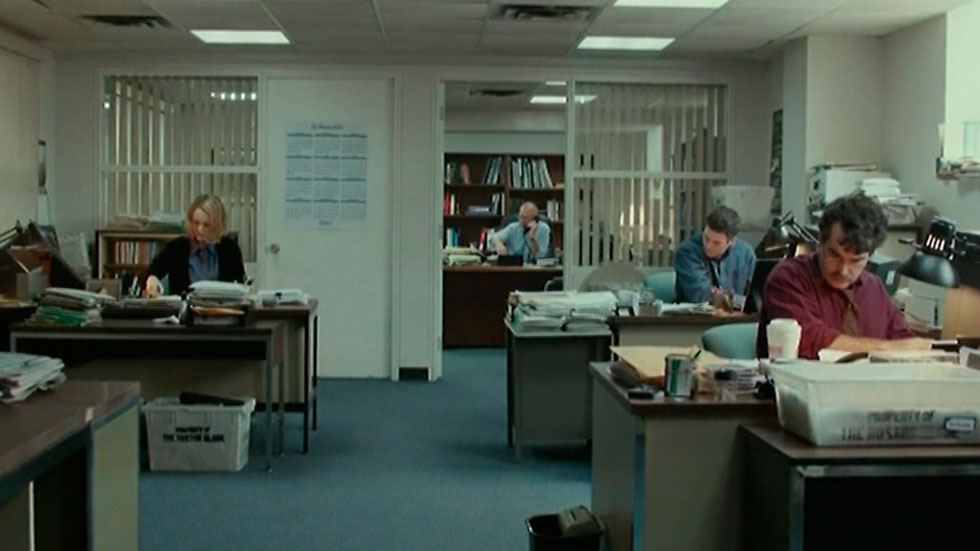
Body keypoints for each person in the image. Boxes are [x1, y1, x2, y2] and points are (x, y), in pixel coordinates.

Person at [756, 192, 932, 359]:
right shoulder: (788, 277)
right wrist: (887, 349)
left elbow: (904, 341)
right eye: (834, 255)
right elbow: (808, 341)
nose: (843, 270)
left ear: (870, 256)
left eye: (856, 261)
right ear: (820, 243)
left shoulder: (874, 287)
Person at [145, 194, 245, 297]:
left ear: (217, 225)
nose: (200, 229)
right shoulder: (176, 248)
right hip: (185, 306)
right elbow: (151, 272)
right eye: (196, 223)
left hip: (221, 306)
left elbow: (239, 286)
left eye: (206, 225)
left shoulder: (230, 249)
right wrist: (152, 280)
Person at [674, 206, 756, 307]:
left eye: (716, 243)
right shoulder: (687, 251)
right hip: (696, 314)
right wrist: (737, 300)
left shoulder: (746, 253)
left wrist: (724, 297)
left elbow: (755, 296)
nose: (708, 246)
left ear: (731, 242)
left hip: (737, 314)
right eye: (706, 238)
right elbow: (701, 295)